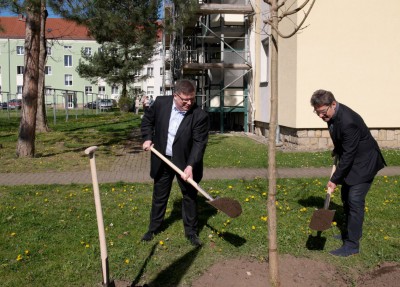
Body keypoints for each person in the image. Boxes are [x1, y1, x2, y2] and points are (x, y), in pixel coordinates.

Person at [310, 89, 386, 257]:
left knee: (354, 200)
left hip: (365, 163)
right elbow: (341, 139)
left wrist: (334, 179)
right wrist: (337, 149)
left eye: (322, 112)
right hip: (352, 159)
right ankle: (350, 233)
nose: (321, 116)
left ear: (333, 104)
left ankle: (352, 245)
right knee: (345, 196)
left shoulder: (348, 121)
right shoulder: (331, 115)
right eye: (317, 113)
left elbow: (350, 153)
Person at [141, 79, 209, 247]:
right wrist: (148, 138)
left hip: (186, 162)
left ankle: (191, 232)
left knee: (189, 196)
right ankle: (154, 228)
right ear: (175, 96)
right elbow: (147, 121)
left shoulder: (199, 115)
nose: (189, 103)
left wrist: (190, 165)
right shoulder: (160, 103)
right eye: (184, 100)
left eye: (192, 99)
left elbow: (199, 143)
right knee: (160, 194)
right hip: (163, 158)